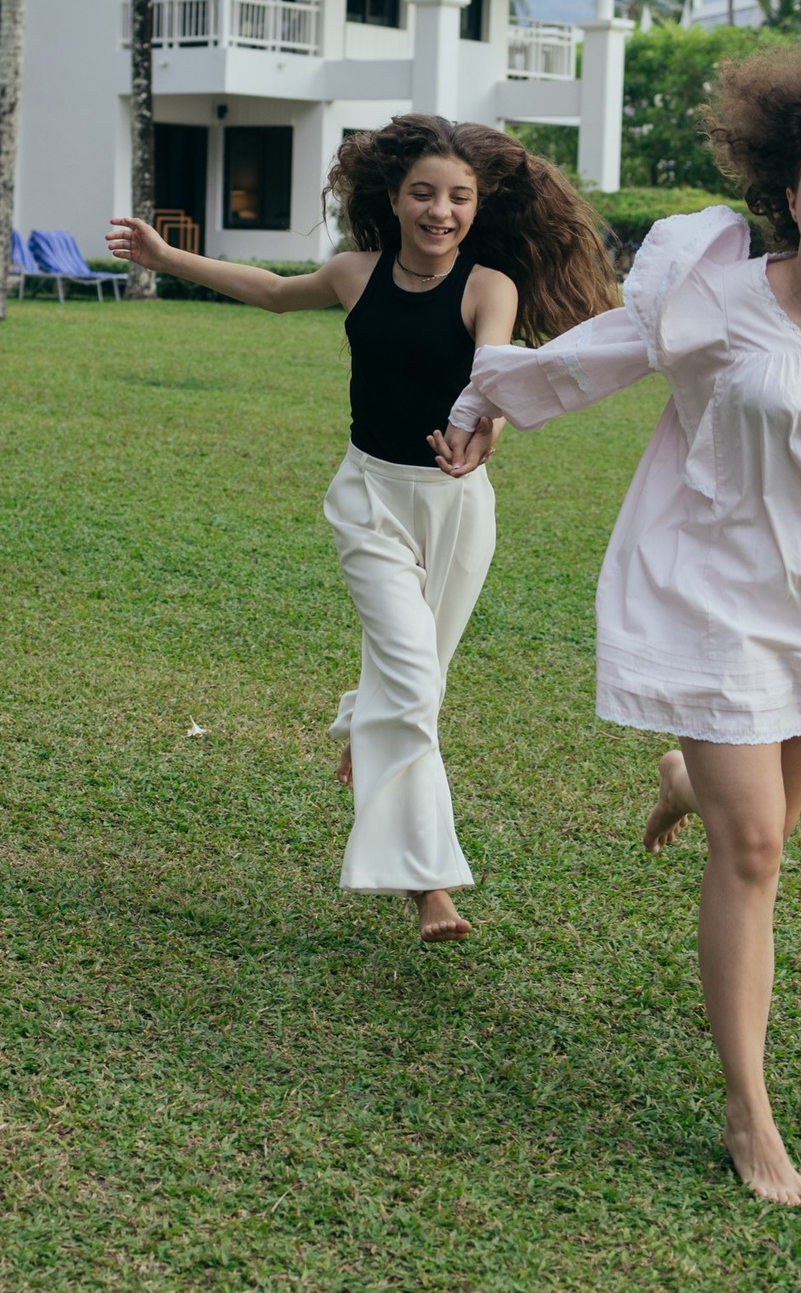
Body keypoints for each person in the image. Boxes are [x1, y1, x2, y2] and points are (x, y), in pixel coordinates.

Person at [435, 52, 801, 1205]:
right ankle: (752, 1120)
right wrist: (481, 399)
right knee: (753, 855)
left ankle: (685, 775)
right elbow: (592, 356)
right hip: (710, 588)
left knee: (763, 832)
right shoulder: (713, 294)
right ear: (787, 196)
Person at [109, 116, 617, 944]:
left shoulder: (490, 285)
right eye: (424, 192)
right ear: (393, 196)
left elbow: (491, 367)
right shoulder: (355, 273)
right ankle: (430, 887)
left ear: (477, 204)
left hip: (457, 510)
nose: (440, 210)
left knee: (416, 685)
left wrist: (481, 421)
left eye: (458, 197)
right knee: (413, 686)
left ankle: (360, 719)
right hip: (371, 501)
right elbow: (272, 289)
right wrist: (167, 259)